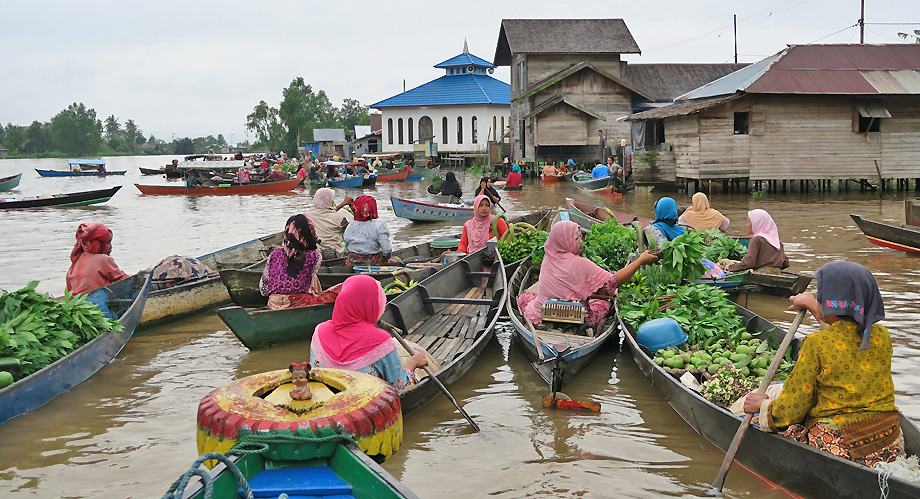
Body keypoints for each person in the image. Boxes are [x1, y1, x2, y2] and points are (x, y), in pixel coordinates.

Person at [743, 261, 904, 467]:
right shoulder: (882, 336)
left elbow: (792, 409)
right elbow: (843, 331)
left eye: (821, 297)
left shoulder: (816, 344)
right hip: (889, 438)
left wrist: (762, 406)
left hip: (841, 444)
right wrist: (811, 304)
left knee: (768, 423)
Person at [517, 221, 659, 329]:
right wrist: (640, 261)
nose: (581, 241)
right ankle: (584, 328)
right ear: (564, 241)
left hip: (543, 315)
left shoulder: (548, 259)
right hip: (576, 318)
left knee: (526, 297)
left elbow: (568, 289)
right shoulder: (582, 264)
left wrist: (595, 295)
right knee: (604, 303)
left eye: (580, 237)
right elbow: (612, 283)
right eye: (576, 238)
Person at [310, 275, 432, 390]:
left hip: (326, 400)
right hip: (367, 406)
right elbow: (399, 386)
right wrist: (413, 362)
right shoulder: (380, 340)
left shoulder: (319, 330)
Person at [259, 214, 339, 309]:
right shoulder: (315, 256)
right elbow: (309, 276)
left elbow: (263, 289)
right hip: (300, 302)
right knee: (333, 286)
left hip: (274, 304)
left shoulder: (274, 253)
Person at [65, 222, 129, 294]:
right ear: (98, 244)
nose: (111, 246)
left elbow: (68, 290)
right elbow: (123, 279)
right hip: (98, 301)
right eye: (108, 242)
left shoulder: (75, 262)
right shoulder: (103, 259)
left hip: (78, 302)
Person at [724, 209, 789, 274]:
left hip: (761, 276)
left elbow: (749, 263)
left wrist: (727, 268)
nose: (747, 225)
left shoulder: (756, 240)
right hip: (777, 275)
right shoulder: (777, 241)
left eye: (749, 222)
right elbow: (786, 263)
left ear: (757, 223)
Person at [305, 187, 353, 259]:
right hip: (336, 254)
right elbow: (351, 232)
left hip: (315, 253)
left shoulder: (307, 215)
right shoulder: (339, 217)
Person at [344, 196, 393, 265]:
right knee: (397, 259)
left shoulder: (350, 226)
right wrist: (385, 258)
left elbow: (347, 245)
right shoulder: (380, 226)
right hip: (372, 262)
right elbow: (387, 250)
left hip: (352, 261)